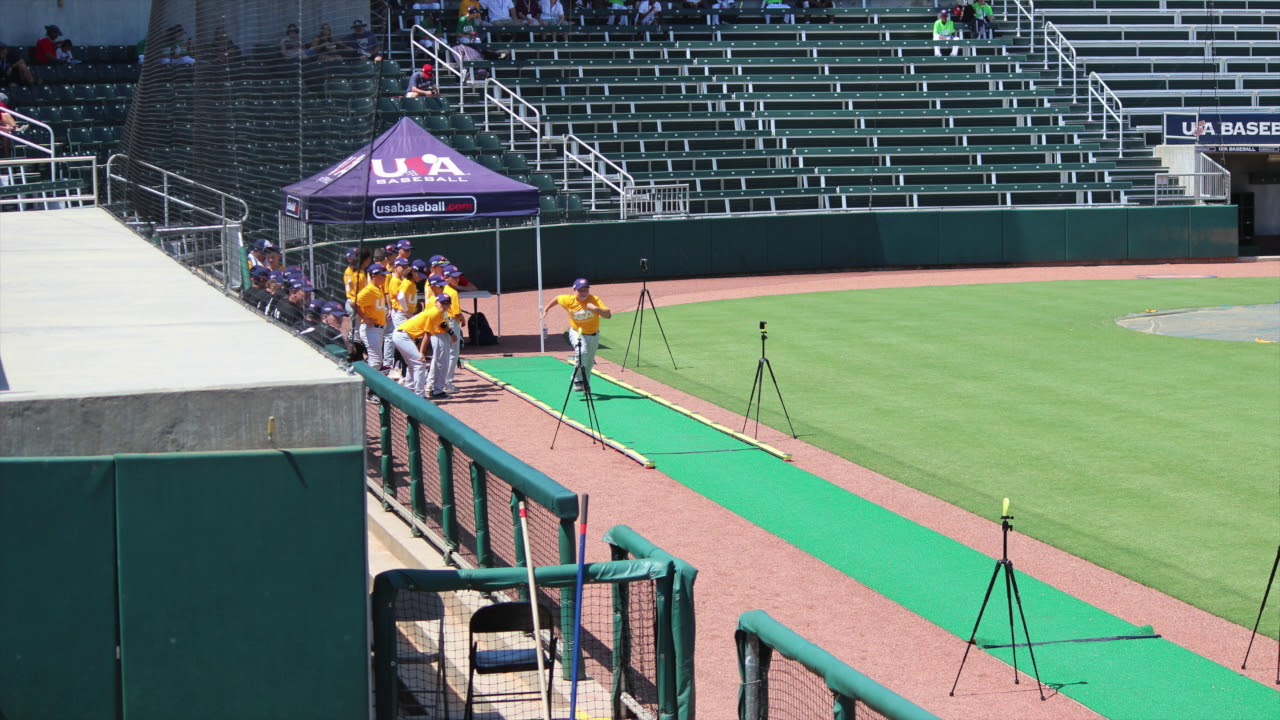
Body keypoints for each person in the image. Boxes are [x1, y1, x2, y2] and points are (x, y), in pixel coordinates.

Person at [542, 278, 612, 392]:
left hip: (594, 335)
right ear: (574, 290)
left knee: (589, 361)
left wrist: (596, 309)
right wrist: (546, 309)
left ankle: (586, 384)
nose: (583, 293)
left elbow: (608, 315)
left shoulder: (594, 300)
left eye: (586, 290)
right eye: (580, 290)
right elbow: (557, 298)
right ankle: (577, 380)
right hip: (577, 332)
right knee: (582, 352)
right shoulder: (569, 300)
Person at [393, 292, 454, 398]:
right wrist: (421, 352)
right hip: (403, 336)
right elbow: (427, 334)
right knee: (419, 363)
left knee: (413, 365)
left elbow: (436, 327)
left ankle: (409, 391)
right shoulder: (435, 313)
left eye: (447, 304)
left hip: (403, 336)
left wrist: (451, 333)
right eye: (442, 303)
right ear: (436, 303)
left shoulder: (438, 313)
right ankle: (419, 395)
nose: (445, 305)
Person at [355, 264, 390, 373]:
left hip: (377, 329)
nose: (385, 277)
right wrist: (365, 318)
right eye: (382, 275)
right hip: (370, 329)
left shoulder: (378, 288)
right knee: (376, 362)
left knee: (376, 361)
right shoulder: (369, 290)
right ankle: (366, 382)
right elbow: (354, 304)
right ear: (374, 276)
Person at [441, 264, 466, 393]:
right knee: (453, 353)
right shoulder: (453, 292)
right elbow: (456, 313)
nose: (457, 279)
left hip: (444, 322)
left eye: (457, 277)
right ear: (447, 277)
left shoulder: (443, 289)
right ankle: (447, 383)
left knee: (445, 353)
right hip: (452, 322)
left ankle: (440, 382)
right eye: (454, 277)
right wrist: (463, 319)